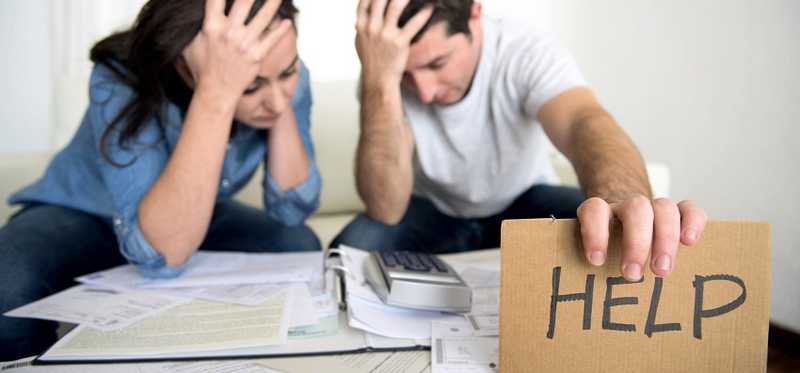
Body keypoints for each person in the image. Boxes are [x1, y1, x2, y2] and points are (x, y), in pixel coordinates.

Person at [0, 0, 321, 360]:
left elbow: (292, 209)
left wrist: (274, 79)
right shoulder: (121, 77)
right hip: (83, 212)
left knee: (298, 245)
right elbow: (161, 255)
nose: (277, 102)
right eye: (251, 87)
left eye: (289, 72)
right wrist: (217, 91)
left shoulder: (279, 75)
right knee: (5, 289)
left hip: (196, 210)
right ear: (185, 67)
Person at [333, 0, 707, 282]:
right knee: (349, 250)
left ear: (475, 16)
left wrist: (620, 197)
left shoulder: (523, 50)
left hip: (521, 201)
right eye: (406, 74)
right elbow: (386, 209)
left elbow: (583, 122)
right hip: (431, 212)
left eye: (437, 64)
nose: (425, 92)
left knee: (612, 228)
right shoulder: (382, 77)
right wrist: (380, 80)